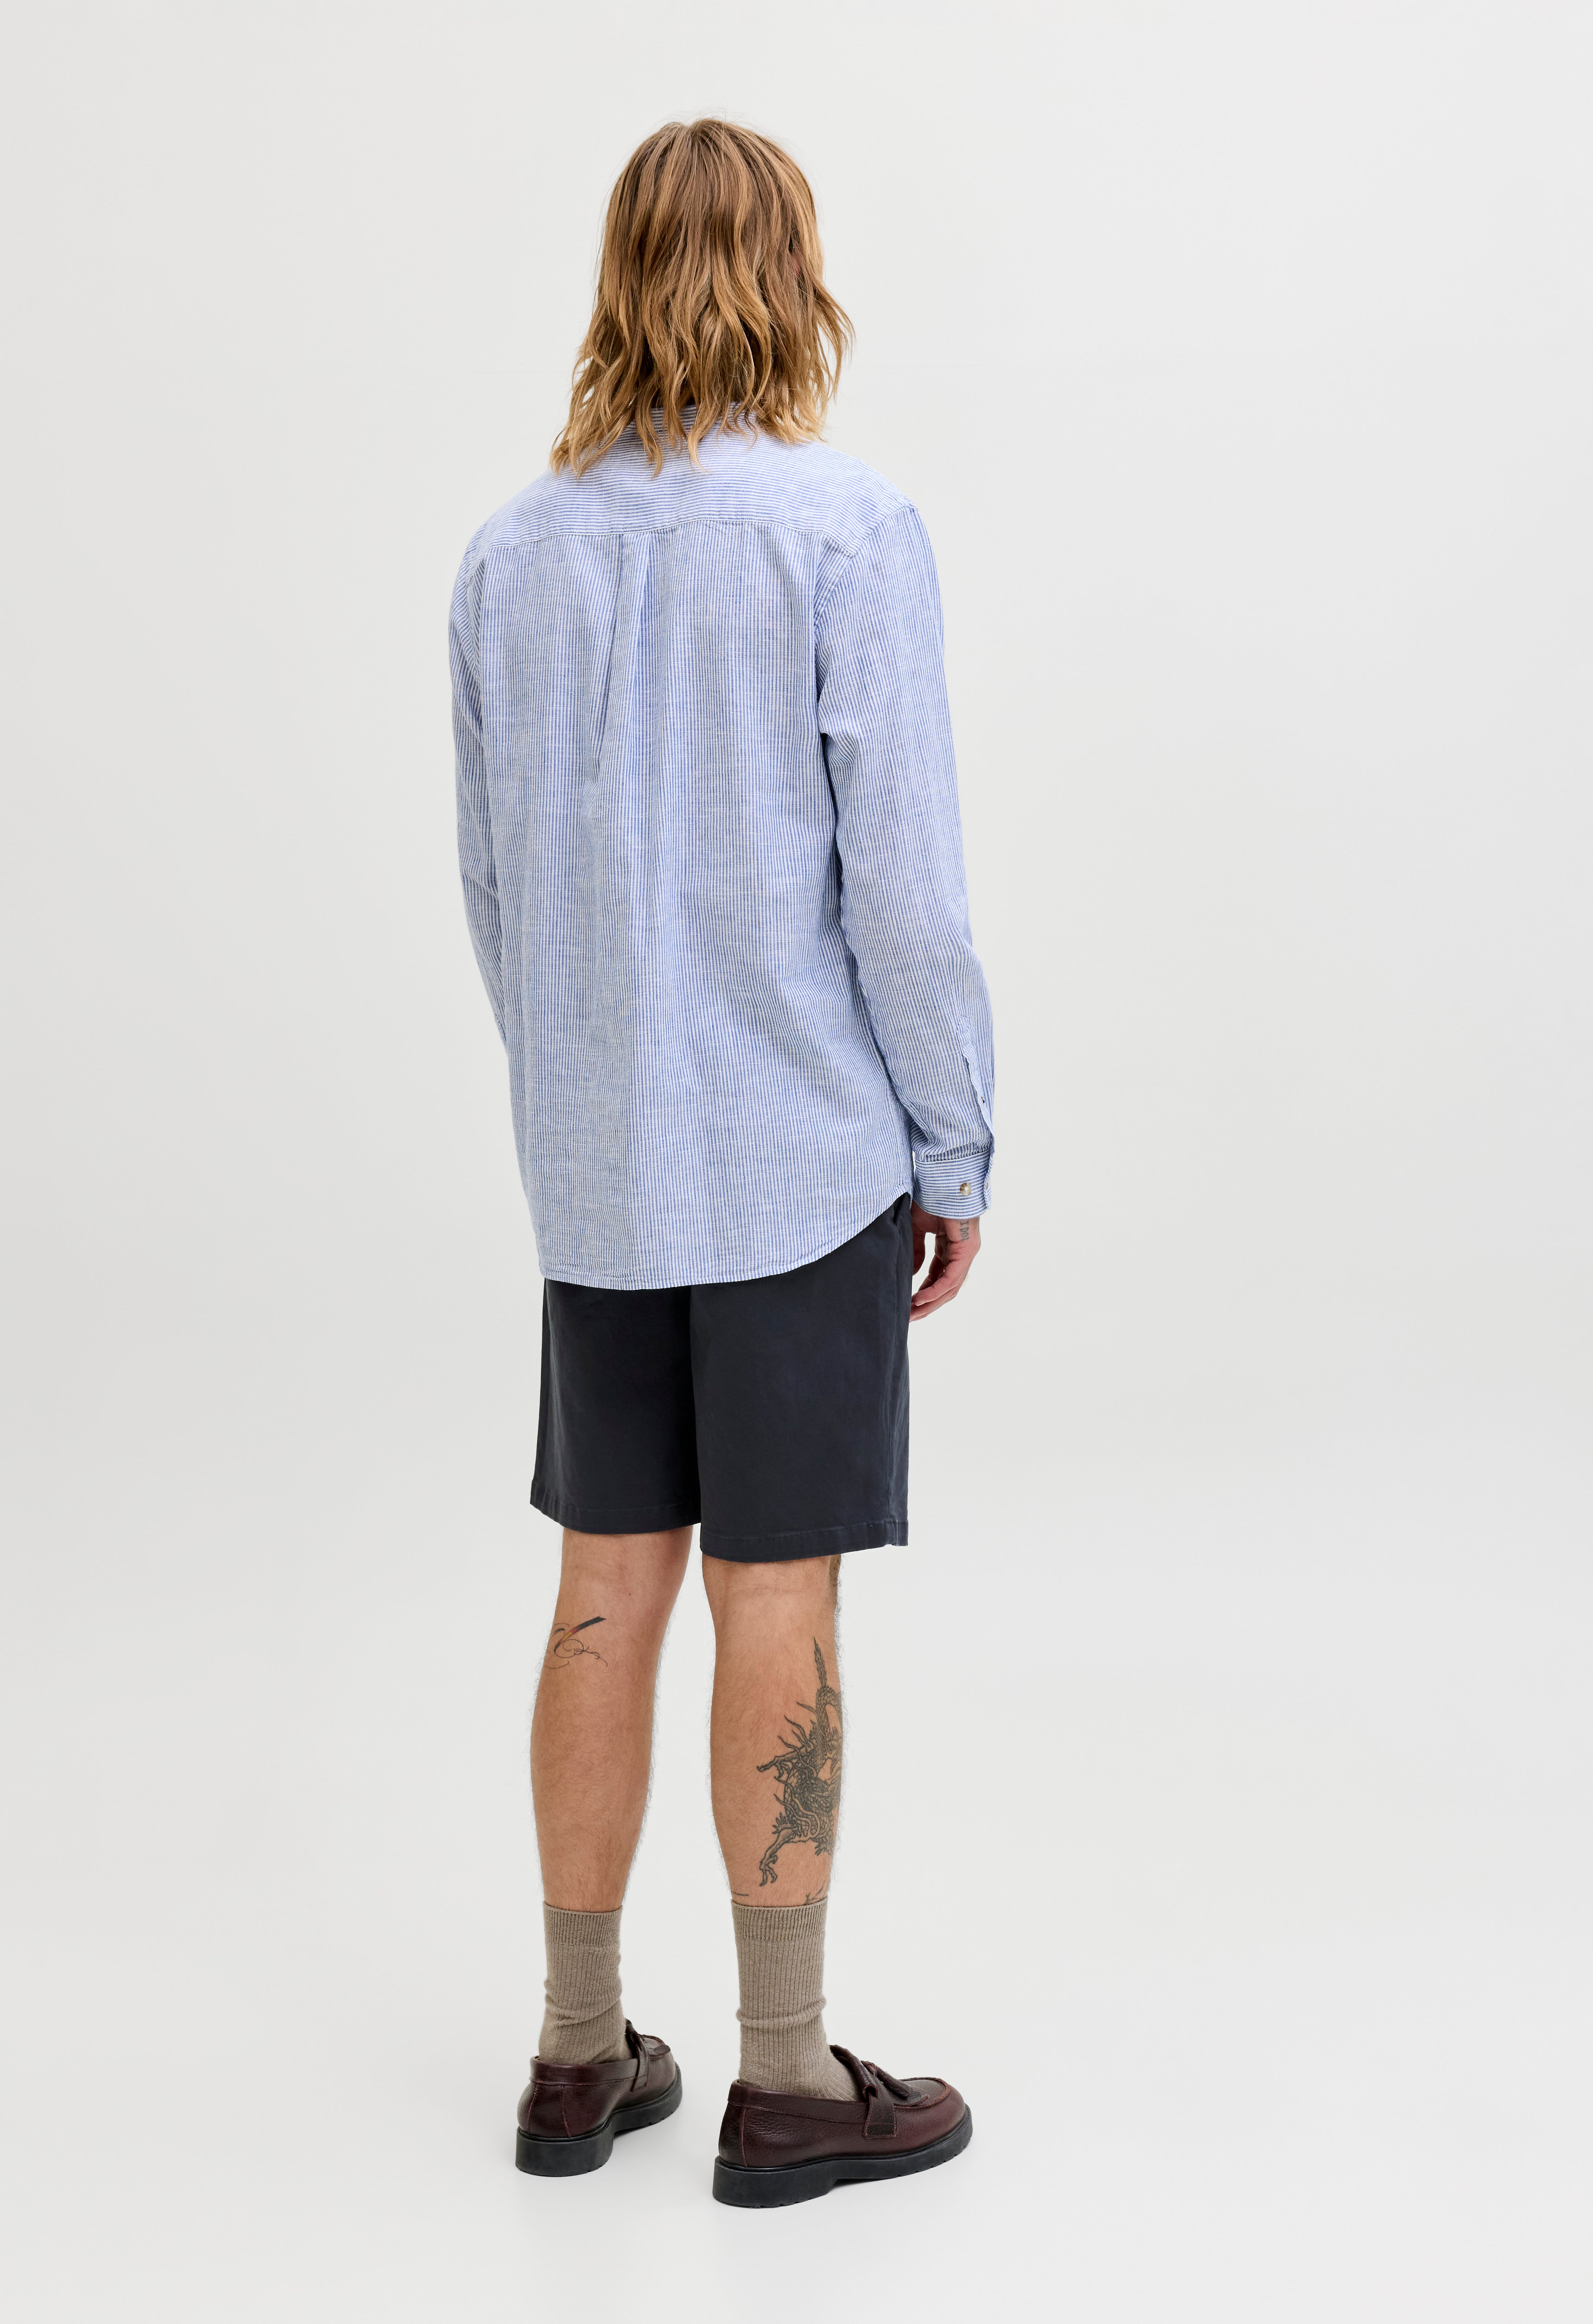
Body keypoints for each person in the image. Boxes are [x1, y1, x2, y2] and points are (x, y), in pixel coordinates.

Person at [449, 117, 993, 2208]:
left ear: (616, 275)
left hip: (602, 1177)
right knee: (781, 1593)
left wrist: (578, 1105)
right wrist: (949, 1138)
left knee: (604, 1589)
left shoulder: (509, 557)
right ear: (794, 277)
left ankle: (575, 2052)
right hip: (798, 1161)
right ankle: (783, 2080)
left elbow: (495, 891)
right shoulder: (847, 531)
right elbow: (906, 887)